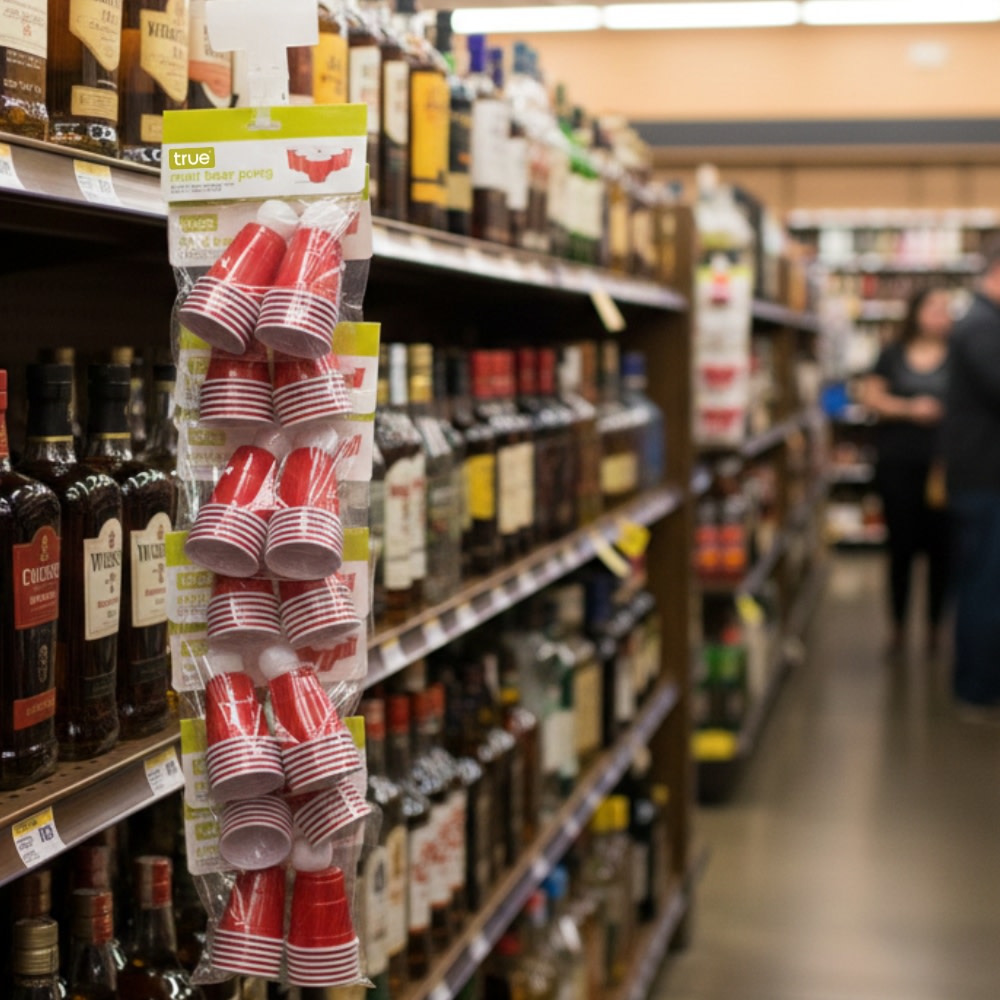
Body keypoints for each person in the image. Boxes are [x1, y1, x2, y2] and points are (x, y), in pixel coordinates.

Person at [861, 286, 952, 656]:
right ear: (915, 312)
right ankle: (897, 628)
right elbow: (870, 396)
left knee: (941, 550)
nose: (940, 315)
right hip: (898, 463)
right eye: (933, 307)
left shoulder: (959, 355)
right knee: (900, 548)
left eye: (945, 308)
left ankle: (934, 629)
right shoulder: (891, 354)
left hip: (943, 468)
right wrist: (911, 409)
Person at [943, 243, 1000, 711]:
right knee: (985, 585)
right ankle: (978, 689)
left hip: (982, 477)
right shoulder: (983, 326)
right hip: (985, 480)